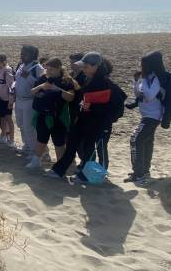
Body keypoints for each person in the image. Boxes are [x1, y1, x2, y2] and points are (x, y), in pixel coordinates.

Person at [47, 53, 126, 182]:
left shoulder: (107, 83)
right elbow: (81, 98)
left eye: (86, 67)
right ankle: (59, 170)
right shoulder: (86, 79)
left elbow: (118, 107)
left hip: (99, 123)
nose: (83, 69)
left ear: (96, 66)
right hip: (83, 120)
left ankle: (91, 175)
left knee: (93, 148)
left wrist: (101, 115)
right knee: (72, 143)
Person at [25, 58, 75, 169]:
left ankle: (60, 165)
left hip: (58, 116)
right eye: (47, 69)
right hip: (42, 114)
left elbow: (70, 97)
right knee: (41, 139)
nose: (48, 72)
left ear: (59, 69)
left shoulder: (66, 80)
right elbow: (32, 92)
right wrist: (41, 86)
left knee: (59, 142)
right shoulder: (43, 78)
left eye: (51, 69)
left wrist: (56, 89)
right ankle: (36, 161)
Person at [126, 51, 165, 189]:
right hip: (146, 115)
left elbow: (148, 95)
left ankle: (139, 173)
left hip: (153, 116)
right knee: (146, 142)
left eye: (143, 65)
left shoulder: (155, 79)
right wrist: (136, 81)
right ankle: (142, 172)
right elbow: (138, 94)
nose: (140, 67)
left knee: (135, 140)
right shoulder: (146, 78)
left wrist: (142, 80)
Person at [12, 45, 45, 154]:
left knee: (29, 127)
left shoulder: (38, 68)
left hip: (30, 101)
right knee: (20, 124)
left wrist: (29, 77)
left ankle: (34, 151)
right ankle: (26, 145)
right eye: (21, 53)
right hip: (19, 100)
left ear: (32, 55)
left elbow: (43, 85)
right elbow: (16, 81)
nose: (21, 56)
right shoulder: (20, 65)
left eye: (24, 54)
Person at [0, 54, 15, 146]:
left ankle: (11, 140)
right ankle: (3, 136)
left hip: (7, 100)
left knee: (9, 119)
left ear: (3, 62)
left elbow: (11, 87)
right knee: (2, 118)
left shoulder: (7, 71)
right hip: (0, 98)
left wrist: (10, 101)